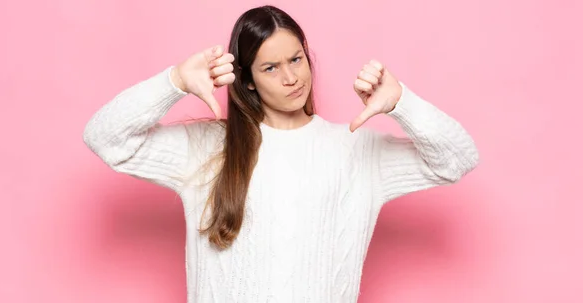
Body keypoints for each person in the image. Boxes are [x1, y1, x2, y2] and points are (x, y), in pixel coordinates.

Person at [83, 4, 479, 303]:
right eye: (270, 68)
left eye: (296, 59)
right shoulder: (207, 148)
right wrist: (174, 82)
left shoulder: (355, 150)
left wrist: (402, 104)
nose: (292, 78)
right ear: (248, 81)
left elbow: (458, 159)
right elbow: (105, 137)